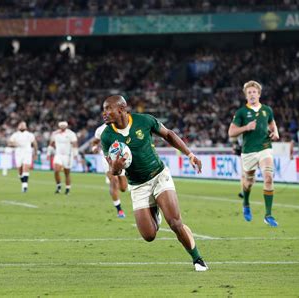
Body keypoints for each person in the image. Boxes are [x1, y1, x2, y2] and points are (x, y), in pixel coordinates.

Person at [100, 95, 208, 271]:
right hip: (137, 185)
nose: (104, 113)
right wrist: (116, 168)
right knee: (149, 235)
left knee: (174, 222)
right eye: (103, 110)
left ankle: (197, 259)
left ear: (121, 108)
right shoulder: (107, 136)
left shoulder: (144, 120)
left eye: (108, 109)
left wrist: (190, 154)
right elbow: (113, 170)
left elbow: (169, 135)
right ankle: (154, 212)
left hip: (158, 175)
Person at [228, 80, 280, 227]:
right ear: (246, 95)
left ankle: (268, 214)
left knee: (268, 177)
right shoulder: (241, 112)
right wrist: (246, 127)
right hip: (248, 152)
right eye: (249, 92)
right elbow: (231, 133)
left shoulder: (267, 110)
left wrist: (275, 132)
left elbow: (272, 123)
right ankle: (246, 203)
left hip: (265, 148)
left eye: (254, 92)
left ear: (259, 94)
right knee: (249, 183)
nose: (252, 94)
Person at [91, 123, 128, 218]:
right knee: (114, 180)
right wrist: (94, 148)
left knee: (123, 188)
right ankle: (119, 210)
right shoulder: (100, 129)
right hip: (107, 158)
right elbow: (94, 142)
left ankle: (114, 189)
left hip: (121, 158)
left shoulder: (123, 125)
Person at [48, 121, 78, 195]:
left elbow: (75, 144)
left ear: (66, 126)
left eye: (64, 125)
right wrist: (48, 153)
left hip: (68, 155)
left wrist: (75, 154)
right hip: (58, 154)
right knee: (56, 170)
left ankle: (67, 188)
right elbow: (51, 143)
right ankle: (58, 186)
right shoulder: (55, 134)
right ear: (59, 126)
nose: (62, 127)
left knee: (66, 172)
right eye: (61, 125)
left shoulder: (71, 134)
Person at [7, 121, 38, 192]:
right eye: (20, 125)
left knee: (25, 168)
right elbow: (9, 143)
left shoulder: (29, 135)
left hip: (27, 153)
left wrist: (35, 154)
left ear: (26, 127)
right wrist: (14, 144)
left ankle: (25, 187)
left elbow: (35, 144)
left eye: (23, 125)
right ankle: (23, 183)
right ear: (18, 127)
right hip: (18, 153)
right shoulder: (15, 135)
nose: (22, 126)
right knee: (20, 171)